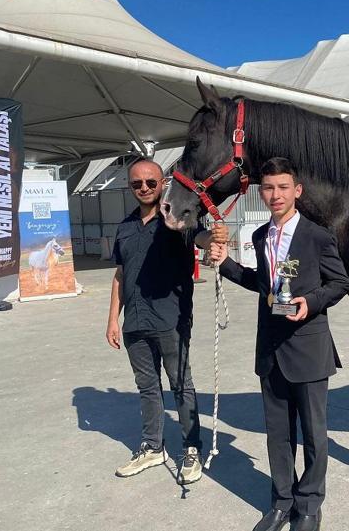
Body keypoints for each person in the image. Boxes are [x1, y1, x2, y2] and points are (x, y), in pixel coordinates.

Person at [210, 157, 349, 531]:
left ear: (297, 191)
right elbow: (263, 285)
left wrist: (312, 302)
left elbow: (340, 283)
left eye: (283, 187)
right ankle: (281, 502)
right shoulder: (260, 237)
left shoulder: (318, 236)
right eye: (268, 188)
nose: (275, 195)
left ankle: (308, 506)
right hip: (271, 349)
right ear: (262, 192)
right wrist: (225, 263)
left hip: (308, 348)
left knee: (314, 436)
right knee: (278, 435)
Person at [106, 158, 227, 485]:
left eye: (150, 182)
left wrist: (214, 241)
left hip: (170, 320)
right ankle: (152, 447)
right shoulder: (125, 226)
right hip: (134, 323)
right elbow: (120, 274)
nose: (144, 188)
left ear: (162, 183)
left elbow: (200, 237)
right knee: (147, 387)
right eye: (136, 184)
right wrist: (112, 320)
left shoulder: (177, 218)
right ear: (130, 187)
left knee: (180, 386)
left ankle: (191, 449)